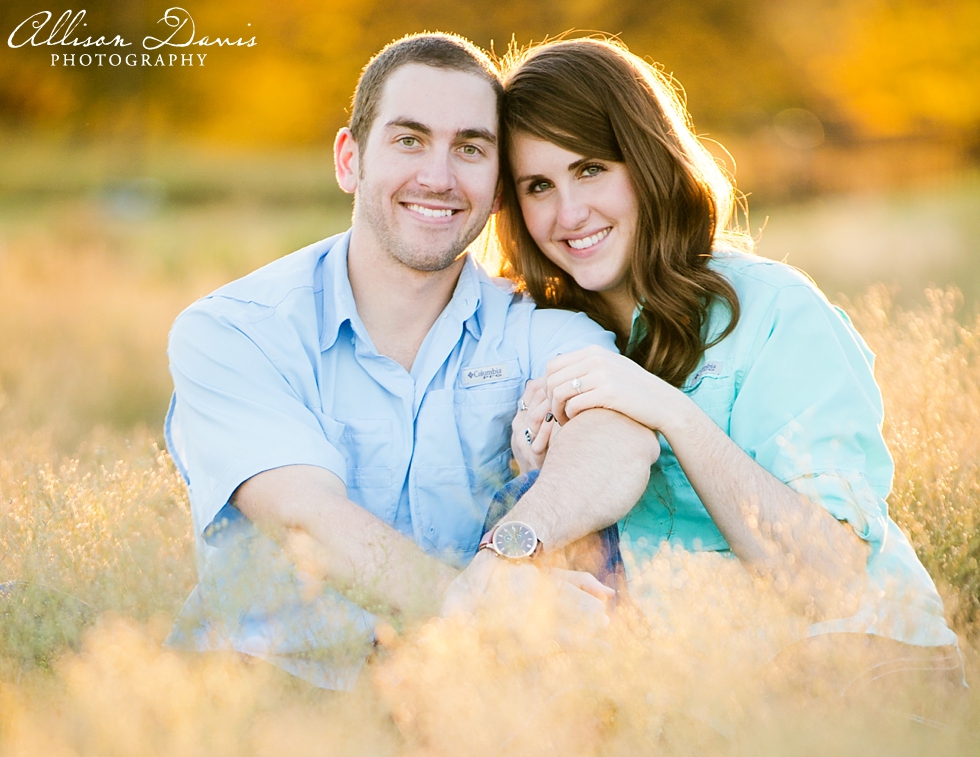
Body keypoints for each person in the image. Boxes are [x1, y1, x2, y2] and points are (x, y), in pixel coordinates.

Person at [164, 31, 659, 689]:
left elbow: (619, 437)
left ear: (499, 187)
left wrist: (504, 565)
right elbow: (304, 515)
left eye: (470, 149)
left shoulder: (542, 330)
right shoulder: (233, 332)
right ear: (349, 160)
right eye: (409, 140)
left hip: (463, 703)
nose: (438, 176)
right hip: (266, 690)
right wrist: (481, 609)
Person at [493, 37, 962, 701]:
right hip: (696, 696)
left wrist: (673, 414)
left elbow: (828, 582)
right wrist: (538, 479)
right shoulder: (539, 341)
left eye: (592, 169)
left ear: (647, 161)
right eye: (538, 186)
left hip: (864, 660)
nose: (569, 214)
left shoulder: (773, 310)